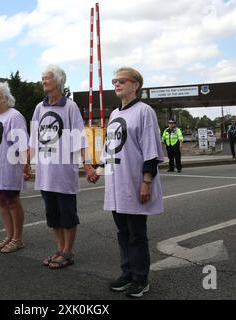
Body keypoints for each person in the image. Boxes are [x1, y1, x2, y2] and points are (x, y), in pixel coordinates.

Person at [93, 67, 163, 298]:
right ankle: (127, 273)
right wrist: (99, 169)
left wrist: (146, 181)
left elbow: (151, 150)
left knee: (136, 233)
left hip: (134, 181)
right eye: (115, 81)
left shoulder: (145, 112)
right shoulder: (114, 114)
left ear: (136, 85)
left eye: (122, 80)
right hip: (116, 183)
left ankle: (141, 278)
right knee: (122, 232)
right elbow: (110, 149)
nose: (117, 84)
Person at [27, 65, 96, 269]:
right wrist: (25, 162)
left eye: (47, 78)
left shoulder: (70, 107)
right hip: (45, 170)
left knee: (67, 214)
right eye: (43, 78)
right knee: (52, 215)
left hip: (63, 171)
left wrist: (88, 164)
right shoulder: (40, 108)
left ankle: (68, 251)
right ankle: (59, 248)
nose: (43, 81)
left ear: (58, 81)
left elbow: (80, 137)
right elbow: (33, 138)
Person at [0, 82, 28, 253]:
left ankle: (18, 238)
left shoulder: (14, 116)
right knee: (1, 201)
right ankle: (9, 235)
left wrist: (25, 165)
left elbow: (22, 142)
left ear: (5, 97)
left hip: (9, 166)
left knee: (12, 201)